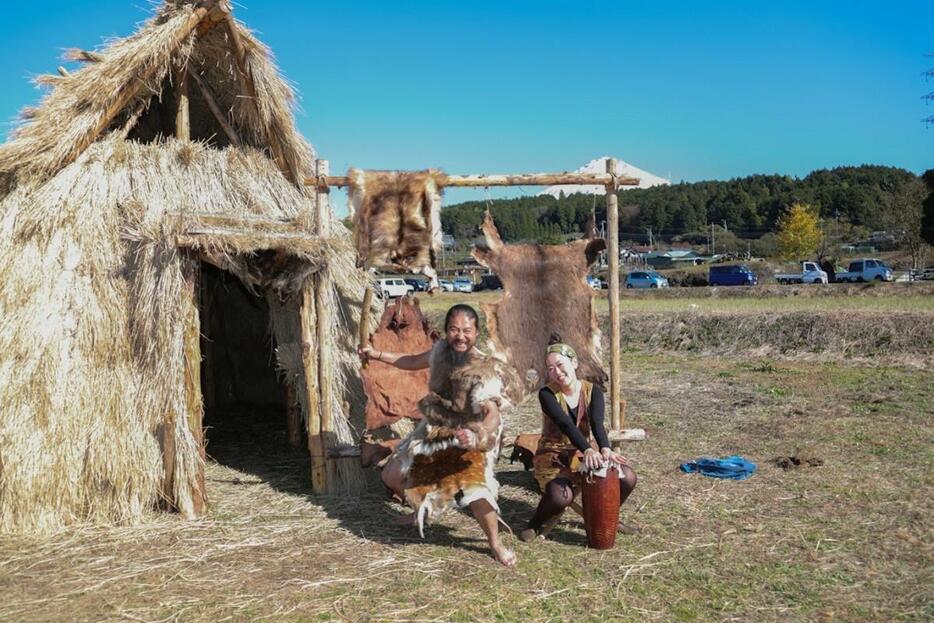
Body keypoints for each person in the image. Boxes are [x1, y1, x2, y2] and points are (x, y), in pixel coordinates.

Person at [359, 304, 516, 567]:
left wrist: (478, 434)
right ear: (446, 331)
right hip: (437, 425)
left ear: (476, 333)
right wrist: (375, 354)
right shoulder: (440, 351)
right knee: (392, 475)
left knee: (475, 492)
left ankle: (495, 543)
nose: (460, 335)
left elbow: (493, 414)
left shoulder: (484, 369)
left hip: (473, 432)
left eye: (467, 330)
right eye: (454, 329)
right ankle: (421, 510)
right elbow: (410, 361)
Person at [520, 336, 638, 542]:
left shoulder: (593, 391)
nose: (556, 372)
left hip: (583, 451)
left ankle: (608, 515)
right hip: (554, 453)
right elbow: (565, 423)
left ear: (573, 363)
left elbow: (597, 424)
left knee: (627, 477)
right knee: (560, 497)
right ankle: (535, 522)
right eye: (550, 368)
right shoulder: (547, 394)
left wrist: (605, 449)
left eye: (559, 365)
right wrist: (589, 450)